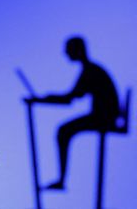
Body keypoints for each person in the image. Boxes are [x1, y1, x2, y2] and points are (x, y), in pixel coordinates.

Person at [29, 36, 119, 191]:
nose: (66, 53)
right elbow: (71, 98)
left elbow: (69, 99)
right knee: (64, 131)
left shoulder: (90, 71)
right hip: (103, 116)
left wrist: (43, 99)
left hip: (104, 118)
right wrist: (44, 99)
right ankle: (61, 180)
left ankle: (61, 180)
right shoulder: (90, 69)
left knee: (63, 131)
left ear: (77, 50)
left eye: (68, 50)